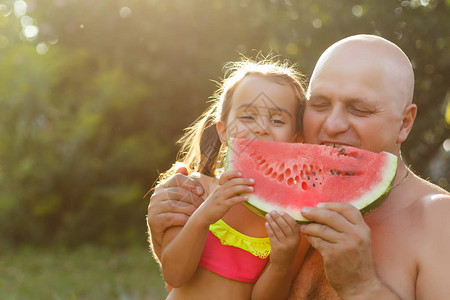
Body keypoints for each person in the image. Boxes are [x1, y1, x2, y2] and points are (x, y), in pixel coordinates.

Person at [148, 35, 450, 299]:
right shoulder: (279, 198)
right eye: (318, 105)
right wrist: (164, 233)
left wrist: (362, 287)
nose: (332, 125)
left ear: (405, 123)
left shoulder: (438, 220)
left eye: (359, 109)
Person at [158, 58, 310, 299]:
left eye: (277, 120)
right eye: (247, 117)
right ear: (223, 131)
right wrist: (204, 215)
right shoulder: (195, 190)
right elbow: (174, 275)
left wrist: (282, 262)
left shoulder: (293, 219)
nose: (261, 128)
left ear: (297, 140)